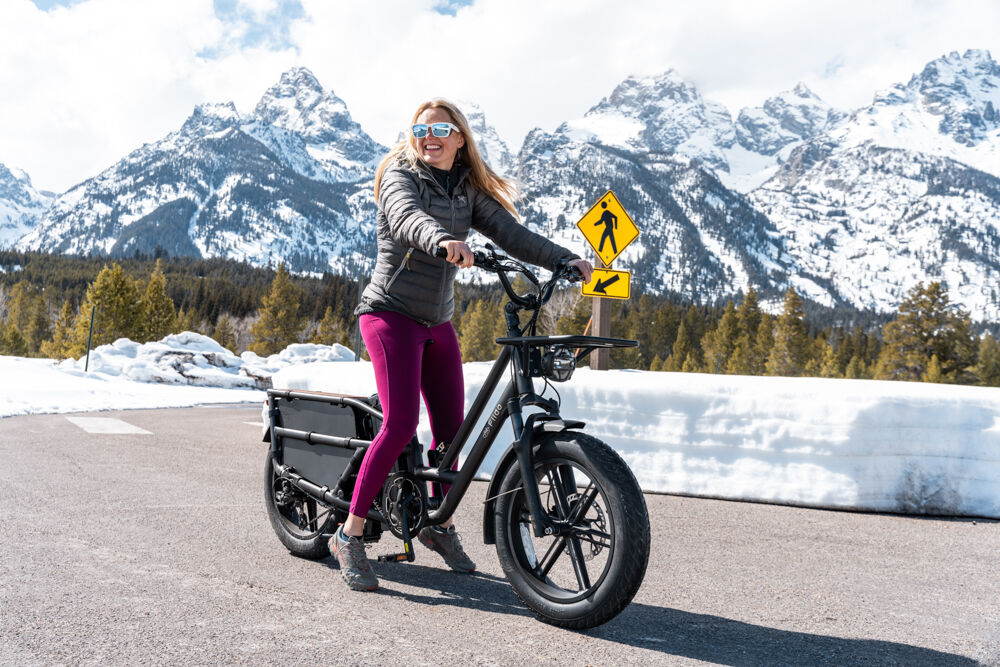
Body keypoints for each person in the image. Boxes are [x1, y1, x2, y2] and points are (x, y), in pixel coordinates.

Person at [329, 99, 593, 591]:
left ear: (459, 139)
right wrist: (441, 239)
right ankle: (351, 533)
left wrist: (563, 258)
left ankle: (437, 523)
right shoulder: (399, 175)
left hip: (436, 321)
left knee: (454, 432)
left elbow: (512, 234)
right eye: (421, 128)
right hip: (388, 314)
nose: (430, 136)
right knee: (402, 421)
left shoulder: (467, 191)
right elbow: (407, 218)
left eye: (441, 129)